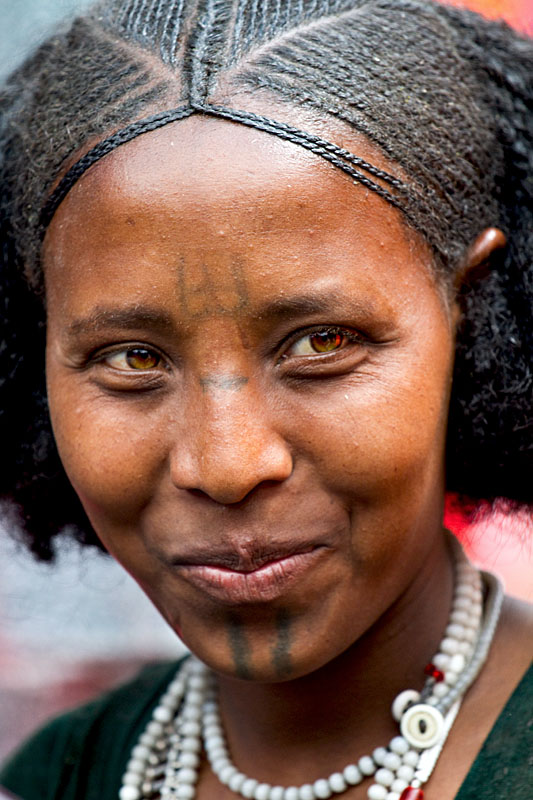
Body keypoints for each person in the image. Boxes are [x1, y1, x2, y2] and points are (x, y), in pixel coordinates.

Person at [0, 0, 531, 798]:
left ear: (474, 312)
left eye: (322, 343)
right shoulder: (57, 776)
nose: (225, 464)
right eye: (132, 358)